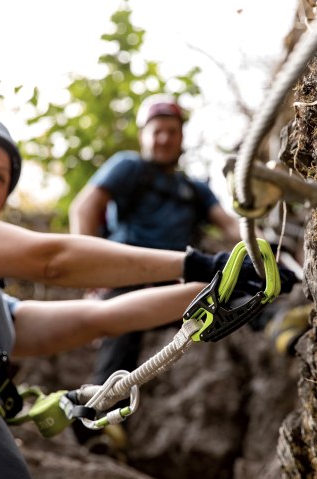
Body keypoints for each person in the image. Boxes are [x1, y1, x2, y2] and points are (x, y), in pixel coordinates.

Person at [0, 111, 296, 478]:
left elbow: (100, 318)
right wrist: (196, 265)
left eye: (0, 176)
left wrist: (223, 282)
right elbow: (50, 259)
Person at [68, 94, 243, 445]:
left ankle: (278, 325)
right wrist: (91, 271)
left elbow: (229, 224)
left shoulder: (193, 189)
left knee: (233, 297)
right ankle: (99, 423)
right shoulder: (128, 167)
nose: (164, 138)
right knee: (121, 330)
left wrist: (260, 240)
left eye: (172, 132)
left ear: (181, 138)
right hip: (125, 272)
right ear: (144, 135)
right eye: (157, 131)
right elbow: (85, 207)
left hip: (175, 278)